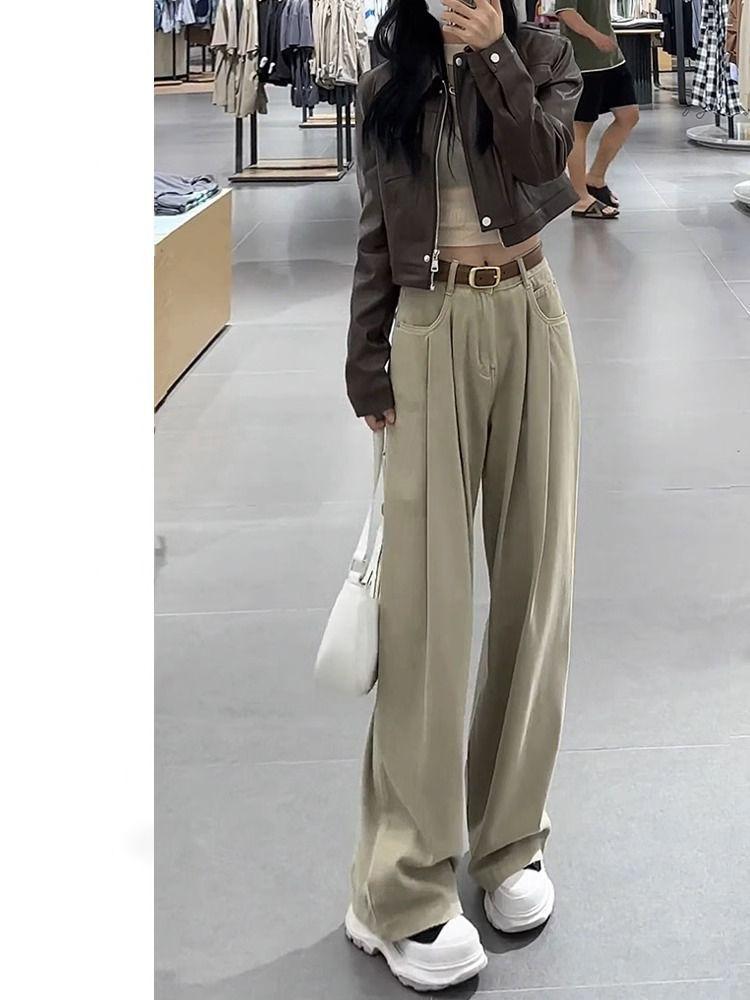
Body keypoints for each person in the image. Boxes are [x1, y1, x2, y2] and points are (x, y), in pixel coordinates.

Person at [343, 0, 582, 990]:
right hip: (429, 327)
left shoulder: (542, 50)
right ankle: (398, 890)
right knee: (425, 615)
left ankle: (510, 840)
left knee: (535, 589)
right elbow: (375, 222)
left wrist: (494, 56)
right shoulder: (390, 70)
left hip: (529, 314)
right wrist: (365, 356)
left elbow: (544, 163)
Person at [555, 0, 640, 219]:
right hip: (584, 63)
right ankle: (580, 199)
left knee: (629, 115)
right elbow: (565, 12)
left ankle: (595, 178)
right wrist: (596, 36)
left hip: (611, 59)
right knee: (580, 128)